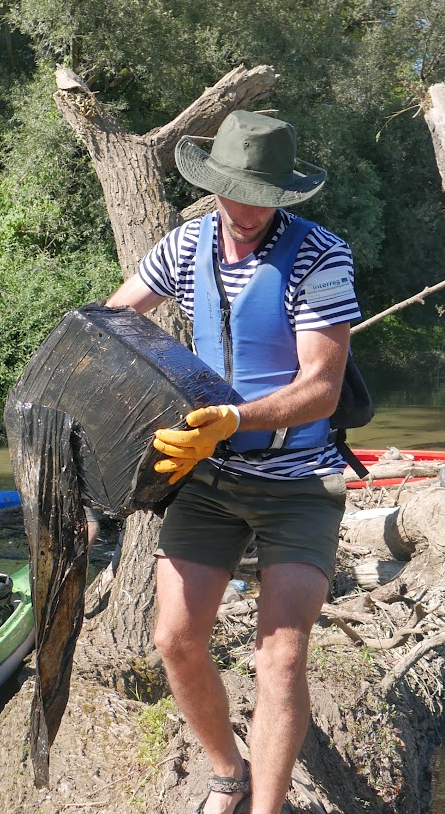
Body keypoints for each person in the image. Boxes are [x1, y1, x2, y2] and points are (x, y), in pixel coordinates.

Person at [105, 110, 360, 814]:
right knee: (175, 640)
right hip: (209, 478)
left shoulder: (319, 256)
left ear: (285, 194)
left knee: (279, 658)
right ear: (211, 183)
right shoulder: (184, 247)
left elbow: (320, 388)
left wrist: (233, 420)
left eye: (264, 195)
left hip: (298, 482)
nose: (247, 210)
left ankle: (267, 809)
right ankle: (226, 771)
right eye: (234, 191)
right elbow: (114, 320)